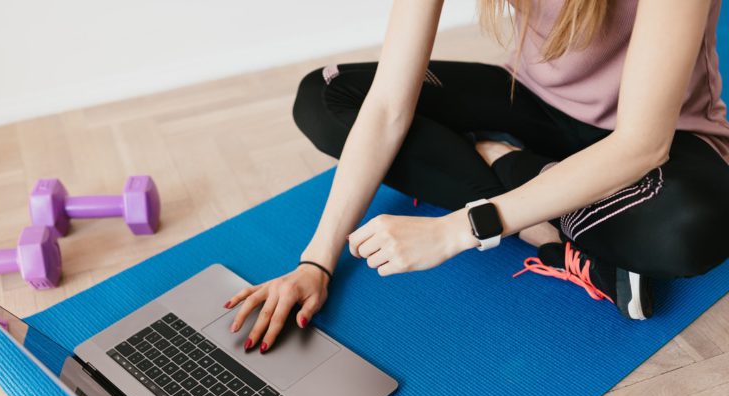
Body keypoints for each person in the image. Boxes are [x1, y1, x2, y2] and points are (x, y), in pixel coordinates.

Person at [226, 0, 729, 352]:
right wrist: (315, 262)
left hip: (663, 141)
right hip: (530, 105)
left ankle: (502, 163)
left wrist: (459, 229)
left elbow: (641, 144)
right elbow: (385, 106)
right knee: (326, 97)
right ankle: (545, 226)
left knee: (689, 230)